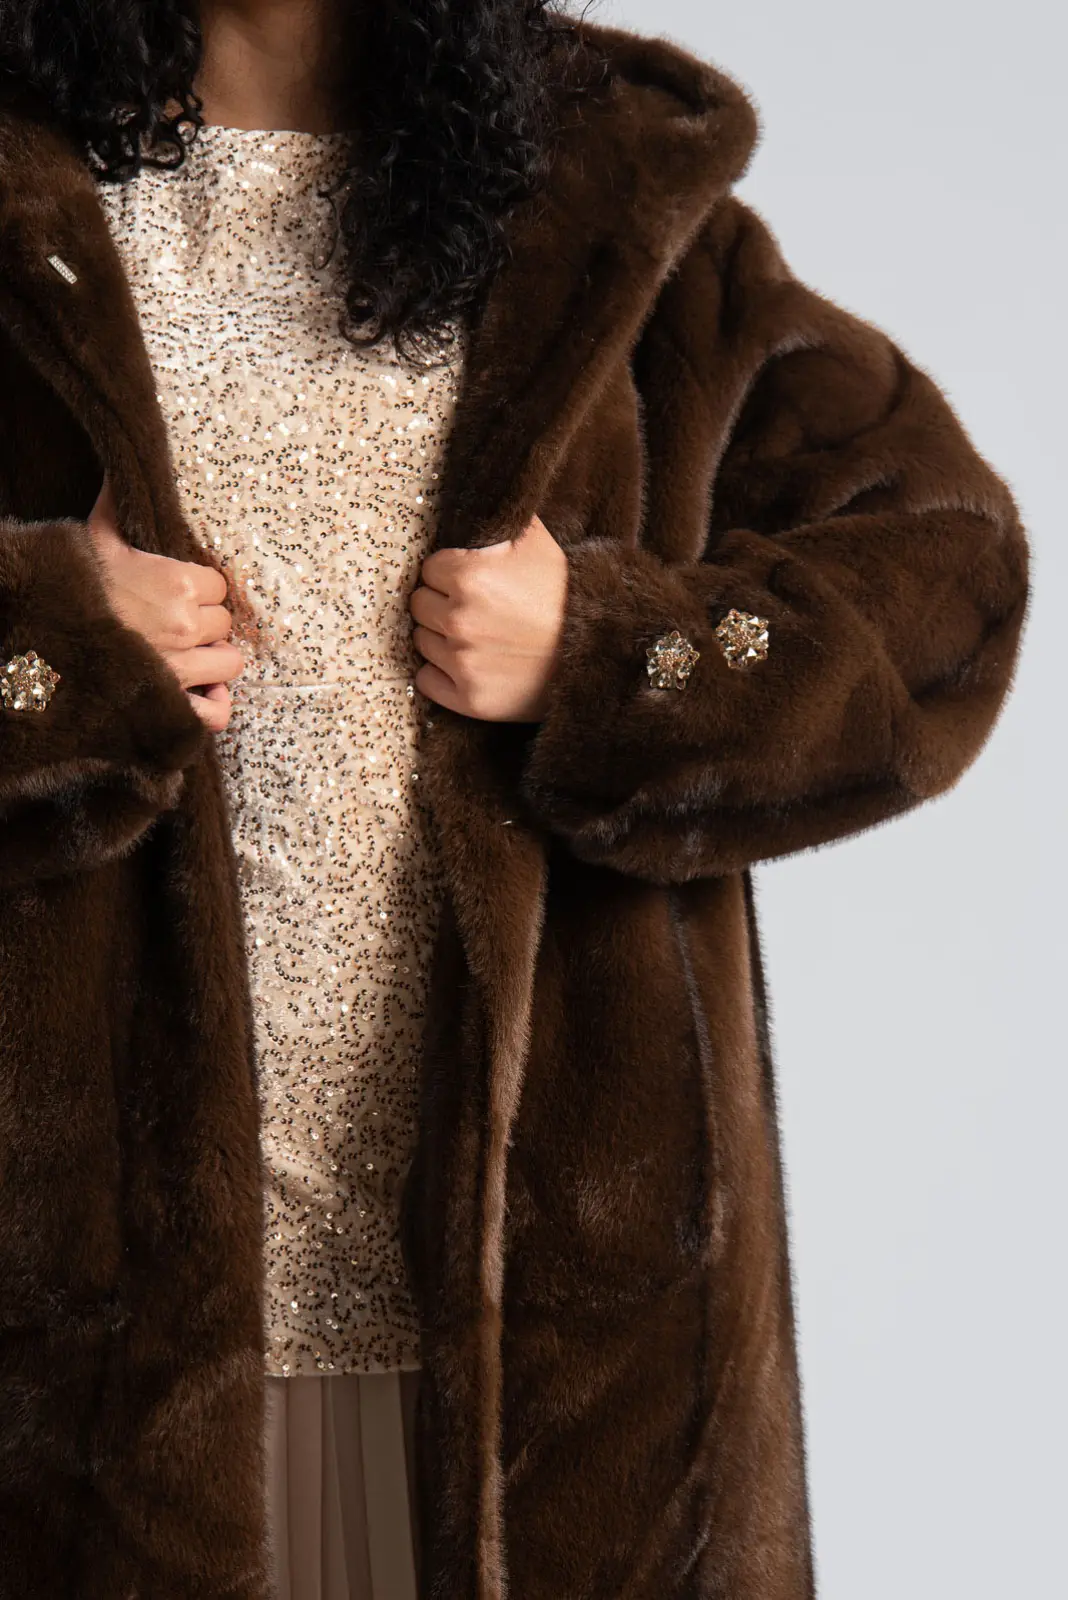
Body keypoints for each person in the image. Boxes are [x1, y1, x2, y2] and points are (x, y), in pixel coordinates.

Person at [0, 2, 1029, 1597]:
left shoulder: (595, 191)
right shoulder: (23, 188)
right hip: (85, 1336)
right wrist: (50, 639)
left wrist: (610, 654)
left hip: (558, 1341)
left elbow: (946, 580)